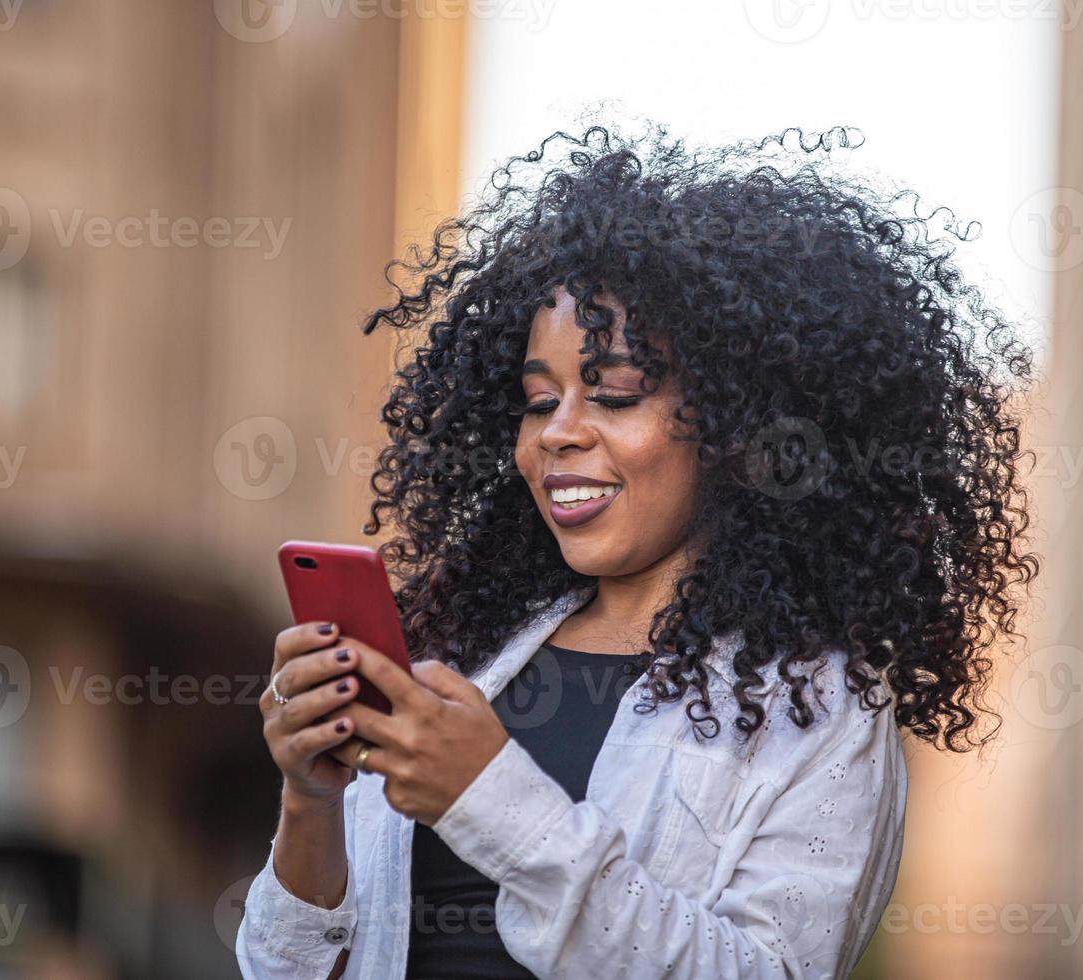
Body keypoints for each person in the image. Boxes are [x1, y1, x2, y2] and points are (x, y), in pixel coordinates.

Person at [236, 123, 1037, 980]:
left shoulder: (812, 703)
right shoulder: (467, 658)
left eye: (614, 394)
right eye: (539, 401)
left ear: (736, 428)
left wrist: (491, 800)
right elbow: (288, 969)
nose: (561, 433)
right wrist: (310, 801)